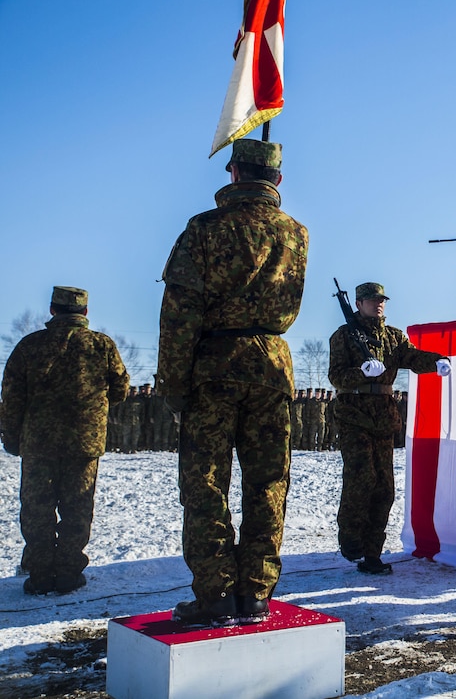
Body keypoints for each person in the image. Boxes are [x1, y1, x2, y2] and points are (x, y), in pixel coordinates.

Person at [157, 139, 308, 626]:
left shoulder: (205, 229)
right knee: (268, 484)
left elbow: (179, 314)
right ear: (277, 180)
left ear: (233, 173)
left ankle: (216, 595)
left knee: (206, 484)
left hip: (214, 368)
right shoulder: (296, 234)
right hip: (271, 367)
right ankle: (256, 595)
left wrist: (173, 385)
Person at [1, 286, 129, 595]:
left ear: (51, 310)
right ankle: (69, 572)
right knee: (77, 506)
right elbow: (121, 389)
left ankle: (41, 573)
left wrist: (11, 437)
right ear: (85, 313)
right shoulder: (102, 346)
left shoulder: (29, 346)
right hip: (84, 442)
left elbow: (11, 397)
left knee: (37, 507)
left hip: (38, 442)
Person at [328, 282, 451, 575]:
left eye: (381, 299)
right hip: (353, 415)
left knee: (384, 488)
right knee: (361, 477)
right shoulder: (343, 336)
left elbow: (412, 356)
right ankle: (350, 538)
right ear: (358, 303)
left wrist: (437, 361)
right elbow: (336, 376)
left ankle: (372, 553)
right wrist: (360, 373)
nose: (378, 304)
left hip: (383, 417)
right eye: (371, 300)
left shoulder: (393, 337)